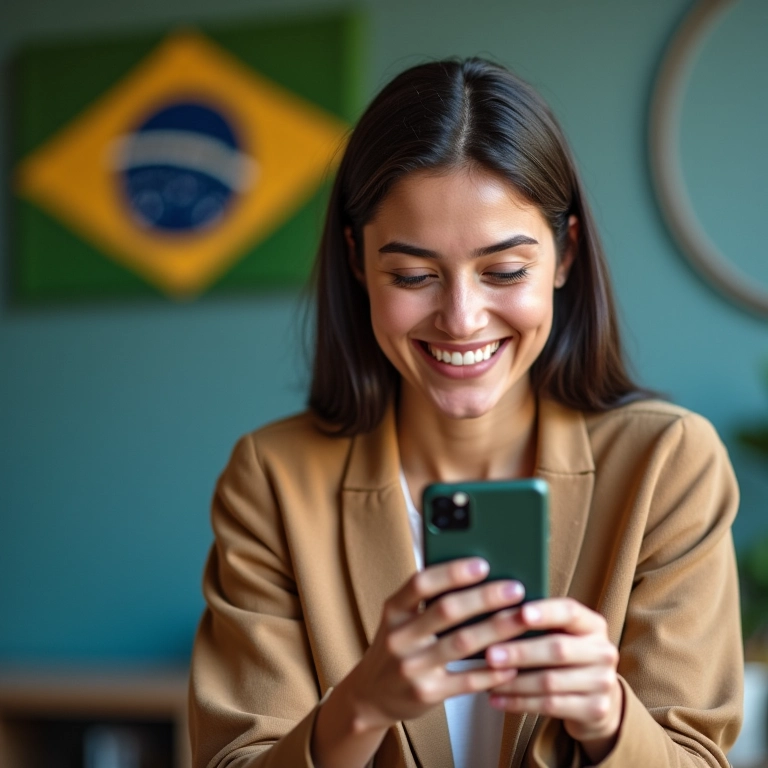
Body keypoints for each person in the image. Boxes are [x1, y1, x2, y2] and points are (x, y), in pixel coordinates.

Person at [188, 58, 742, 768]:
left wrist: (608, 717)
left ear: (565, 254)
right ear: (357, 262)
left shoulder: (668, 464)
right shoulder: (273, 479)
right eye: (413, 276)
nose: (461, 318)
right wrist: (361, 706)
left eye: (504, 271)